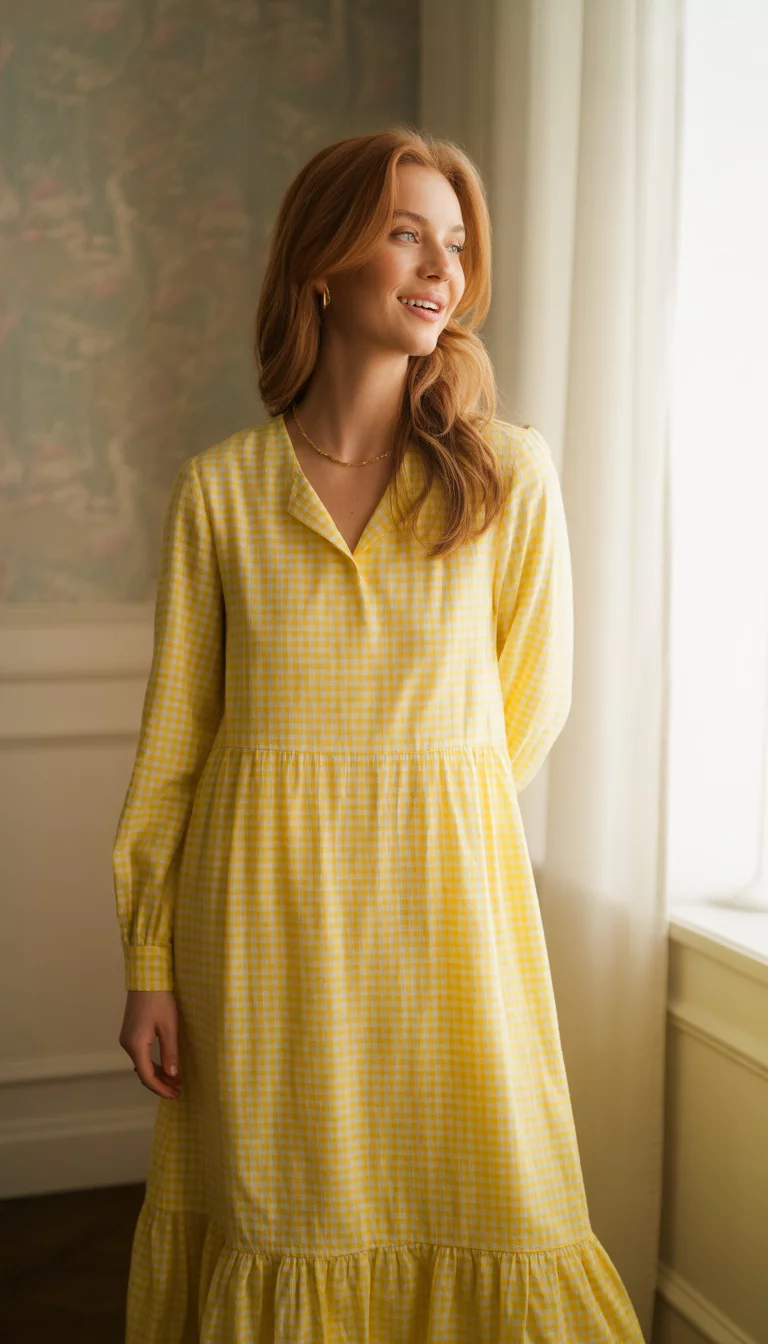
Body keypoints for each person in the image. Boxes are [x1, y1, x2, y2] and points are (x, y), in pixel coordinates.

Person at [114, 127, 646, 1342]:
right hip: (256, 919)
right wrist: (150, 957)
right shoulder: (221, 493)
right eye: (407, 232)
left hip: (449, 911)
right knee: (279, 1211)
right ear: (322, 261)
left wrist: (416, 802)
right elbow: (176, 745)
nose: (439, 267)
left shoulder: (508, 474)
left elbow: (531, 700)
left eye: (454, 244)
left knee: (501, 1197)